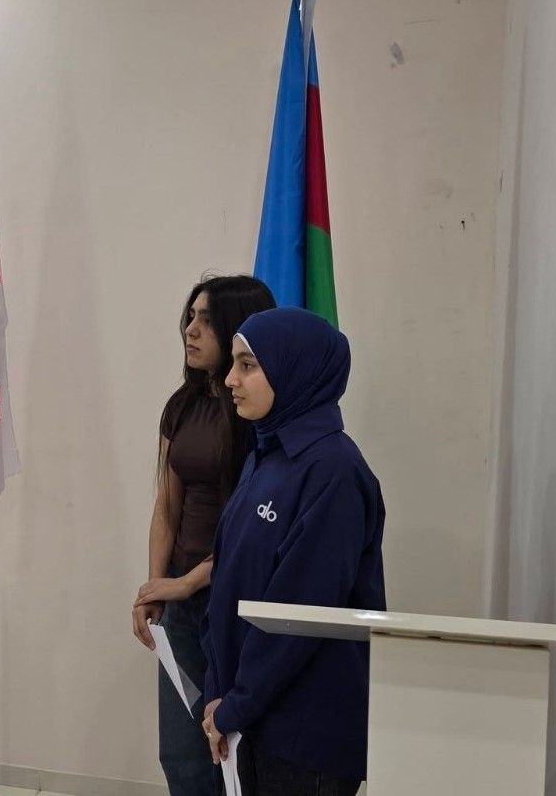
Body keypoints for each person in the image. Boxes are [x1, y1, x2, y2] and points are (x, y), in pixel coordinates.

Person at [200, 307, 386, 796]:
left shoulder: (333, 470)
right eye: (234, 363)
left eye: (247, 365)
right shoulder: (266, 455)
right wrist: (221, 693)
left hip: (306, 731)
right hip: (254, 713)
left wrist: (236, 704)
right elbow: (231, 579)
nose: (230, 379)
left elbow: (299, 610)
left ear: (294, 371)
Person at [132, 275, 276, 795]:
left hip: (234, 597)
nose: (190, 330)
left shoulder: (256, 416)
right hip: (181, 599)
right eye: (189, 317)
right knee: (182, 752)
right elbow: (166, 505)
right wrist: (156, 586)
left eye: (206, 320)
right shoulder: (183, 405)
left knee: (233, 747)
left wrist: (190, 581)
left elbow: (254, 531)